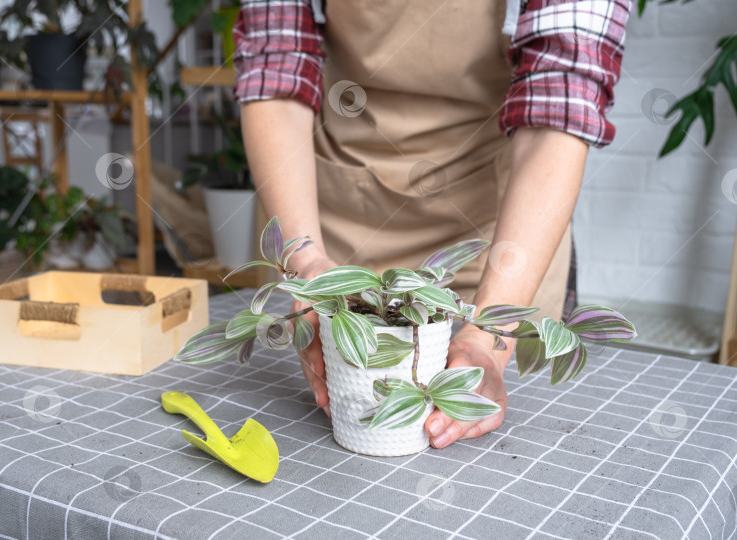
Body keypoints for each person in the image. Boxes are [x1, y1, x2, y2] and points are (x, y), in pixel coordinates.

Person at [231, 0, 630, 449]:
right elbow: (276, 63)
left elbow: (563, 96)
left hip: (495, 237)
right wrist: (304, 264)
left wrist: (489, 340)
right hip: (327, 210)